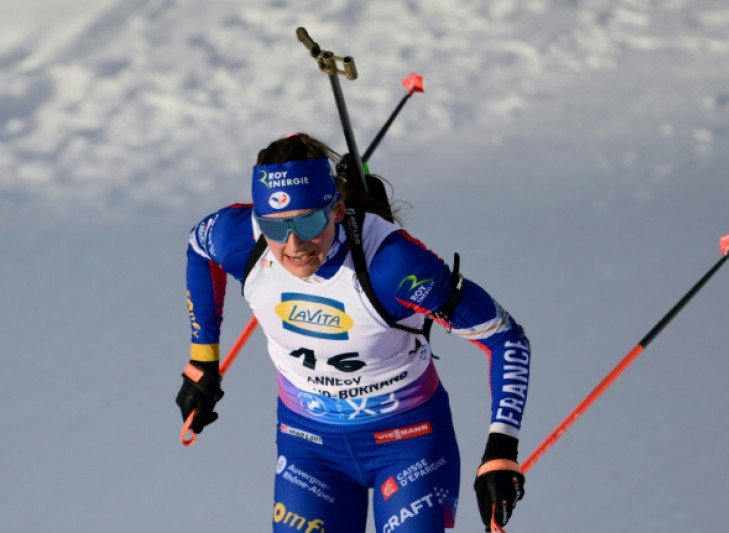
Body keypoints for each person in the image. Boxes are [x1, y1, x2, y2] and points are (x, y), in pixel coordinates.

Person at [176, 133, 531, 532]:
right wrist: (202, 361)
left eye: (308, 221)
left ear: (337, 210)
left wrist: (502, 448)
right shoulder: (239, 237)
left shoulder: (393, 266)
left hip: (408, 443)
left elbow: (505, 338)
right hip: (309, 447)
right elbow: (198, 246)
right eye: (275, 227)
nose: (293, 245)